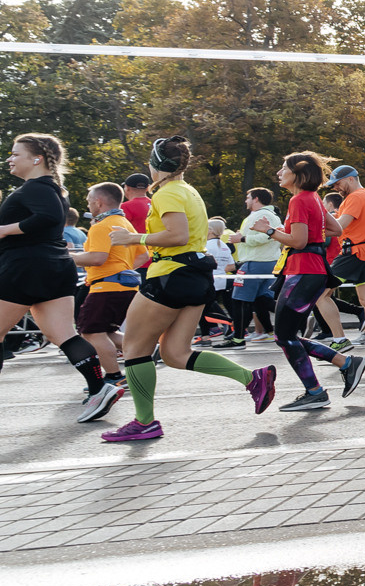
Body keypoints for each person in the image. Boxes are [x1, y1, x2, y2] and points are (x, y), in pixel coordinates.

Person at [99, 137, 277, 441]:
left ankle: (144, 422)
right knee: (175, 354)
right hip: (195, 276)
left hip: (170, 274)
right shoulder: (188, 191)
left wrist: (134, 239)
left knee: (133, 349)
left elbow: (177, 235)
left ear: (156, 164)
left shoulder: (167, 193)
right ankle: (253, 378)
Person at [267, 152, 365, 410]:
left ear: (298, 173)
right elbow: (334, 229)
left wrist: (270, 231)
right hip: (312, 272)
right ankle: (343, 366)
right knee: (285, 335)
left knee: (284, 335)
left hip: (303, 272)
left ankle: (317, 390)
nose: (279, 173)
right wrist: (311, 233)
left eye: (283, 167)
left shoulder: (300, 200)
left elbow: (298, 241)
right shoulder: (311, 199)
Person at [0, 135, 86, 396]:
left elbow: (48, 217)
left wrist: (4, 229)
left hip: (25, 268)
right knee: (65, 336)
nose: (9, 159)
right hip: (54, 267)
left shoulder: (35, 187)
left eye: (15, 154)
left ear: (36, 159)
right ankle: (101, 386)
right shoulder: (52, 189)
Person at [69, 180, 142, 421]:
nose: (88, 203)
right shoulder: (124, 223)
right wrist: (122, 270)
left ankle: (113, 377)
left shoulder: (102, 226)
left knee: (91, 333)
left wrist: (67, 257)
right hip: (123, 286)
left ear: (99, 202)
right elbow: (144, 255)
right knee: (107, 333)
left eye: (90, 199)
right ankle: (145, 352)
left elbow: (98, 257)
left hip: (105, 287)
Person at [321, 166, 365, 348]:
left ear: (351, 179)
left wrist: (312, 230)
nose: (335, 188)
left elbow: (339, 227)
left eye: (338, 183)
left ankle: (339, 339)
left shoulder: (356, 197)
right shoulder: (364, 196)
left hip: (353, 252)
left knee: (320, 294)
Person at [227, 188, 282, 338]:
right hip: (269, 262)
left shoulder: (262, 215)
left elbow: (267, 237)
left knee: (239, 300)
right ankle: (299, 316)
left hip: (255, 262)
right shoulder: (268, 215)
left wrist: (242, 239)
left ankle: (238, 339)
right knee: (262, 301)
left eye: (248, 197)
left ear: (256, 199)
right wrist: (242, 236)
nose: (246, 201)